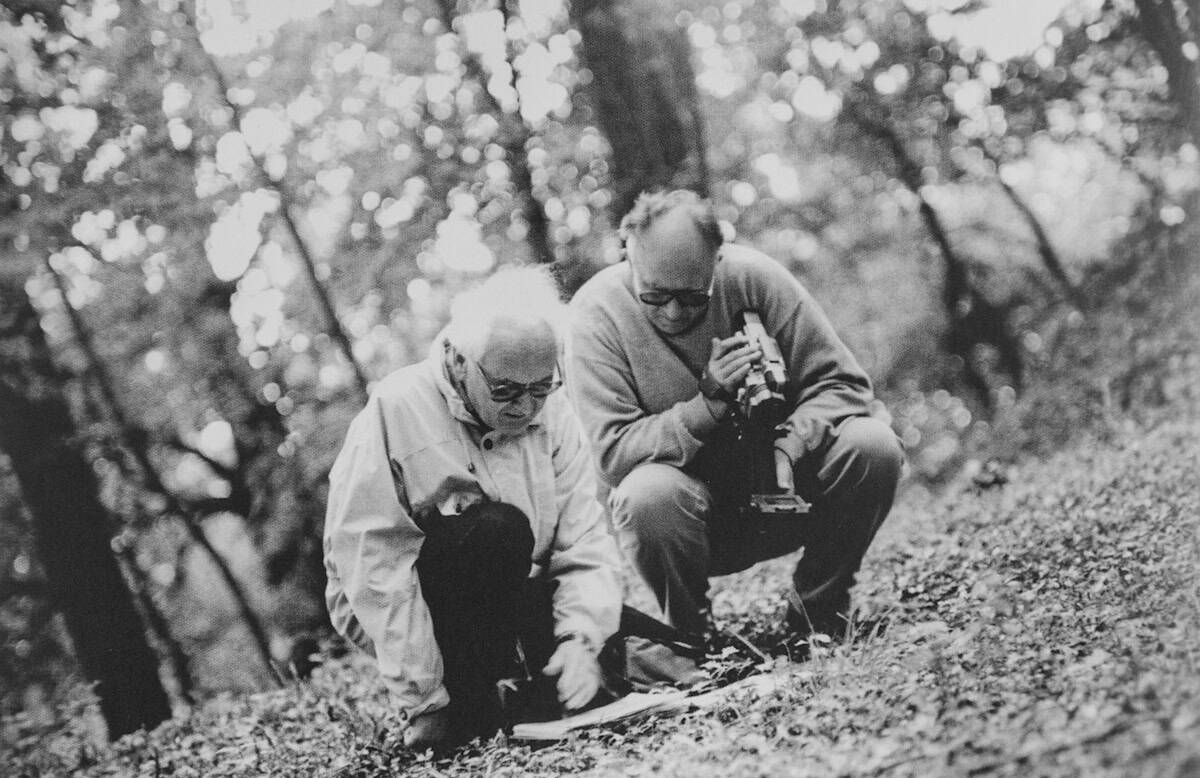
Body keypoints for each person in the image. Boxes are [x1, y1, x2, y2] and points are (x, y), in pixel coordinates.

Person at [567, 189, 903, 659]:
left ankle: (819, 610)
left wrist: (792, 441)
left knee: (874, 445)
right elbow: (614, 452)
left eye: (692, 298)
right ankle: (693, 638)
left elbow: (843, 385)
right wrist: (708, 405)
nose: (672, 313)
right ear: (628, 254)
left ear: (717, 260)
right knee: (646, 495)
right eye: (655, 295)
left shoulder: (755, 279)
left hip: (787, 492)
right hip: (690, 519)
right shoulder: (594, 317)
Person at [324, 266, 622, 749]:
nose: (525, 408)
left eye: (541, 388)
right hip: (427, 603)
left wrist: (581, 639)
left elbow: (582, 540)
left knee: (605, 670)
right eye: (505, 390)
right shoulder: (397, 407)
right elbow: (374, 570)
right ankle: (471, 697)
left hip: (523, 589)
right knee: (498, 530)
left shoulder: (555, 410)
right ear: (457, 360)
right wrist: (425, 699)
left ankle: (528, 685)